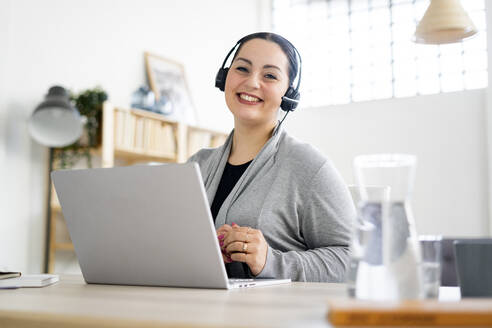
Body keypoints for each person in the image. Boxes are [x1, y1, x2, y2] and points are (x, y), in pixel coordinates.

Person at [187, 32, 355, 282]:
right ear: (225, 77)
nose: (252, 82)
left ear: (288, 95)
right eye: (242, 68)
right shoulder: (197, 165)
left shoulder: (309, 166)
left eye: (269, 75)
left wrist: (270, 260)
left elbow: (354, 260)